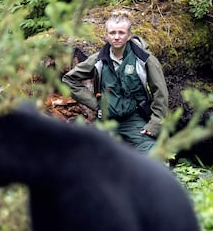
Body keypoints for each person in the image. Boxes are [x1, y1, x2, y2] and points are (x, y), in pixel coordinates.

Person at [62, 11, 169, 154]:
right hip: (106, 120)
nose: (117, 37)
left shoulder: (144, 59)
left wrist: (155, 123)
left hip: (134, 119)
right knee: (92, 158)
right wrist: (95, 104)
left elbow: (160, 92)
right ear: (106, 35)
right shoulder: (97, 60)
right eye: (112, 33)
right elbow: (69, 80)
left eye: (121, 33)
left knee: (154, 157)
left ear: (129, 35)